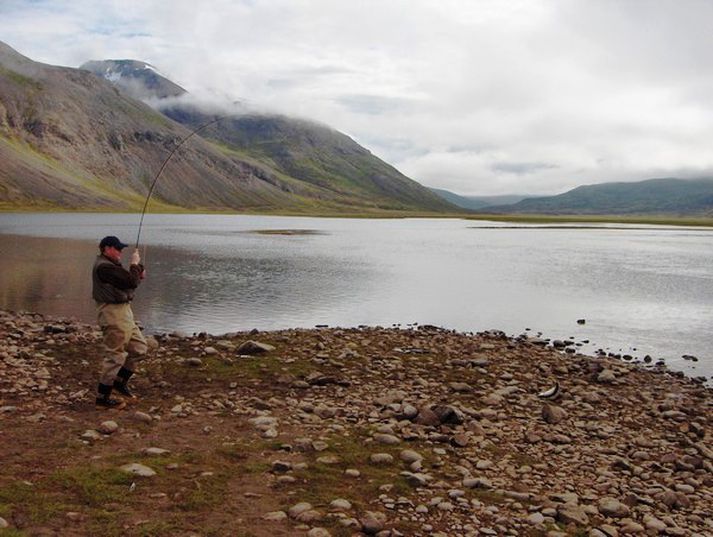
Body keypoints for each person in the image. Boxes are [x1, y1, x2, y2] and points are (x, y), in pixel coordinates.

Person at [92, 236, 147, 409]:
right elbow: (130, 281)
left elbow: (130, 282)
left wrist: (138, 271)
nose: (121, 252)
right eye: (118, 249)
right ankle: (102, 398)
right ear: (106, 249)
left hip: (124, 312)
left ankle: (119, 382)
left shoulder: (111, 265)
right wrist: (135, 264)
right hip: (112, 313)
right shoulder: (104, 267)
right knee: (115, 355)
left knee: (139, 348)